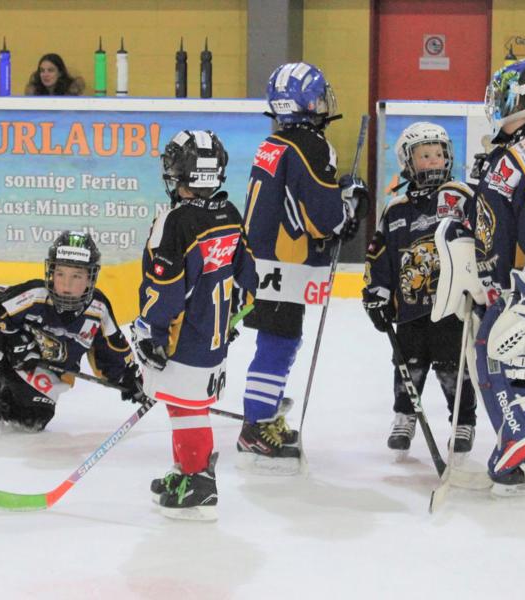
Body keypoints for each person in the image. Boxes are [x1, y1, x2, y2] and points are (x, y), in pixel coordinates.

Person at [434, 59, 525, 497]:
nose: (495, 104)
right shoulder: (512, 151)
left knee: (496, 361)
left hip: (524, 287)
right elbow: (494, 214)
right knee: (522, 365)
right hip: (502, 283)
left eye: (505, 96)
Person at [236, 62, 366, 474]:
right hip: (283, 263)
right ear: (309, 103)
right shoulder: (311, 145)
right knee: (279, 340)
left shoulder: (274, 142)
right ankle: (256, 425)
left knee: (278, 338)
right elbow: (324, 217)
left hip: (260, 257)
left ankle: (263, 409)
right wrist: (351, 204)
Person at [133, 129, 258, 520]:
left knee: (188, 410)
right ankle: (184, 471)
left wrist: (151, 333)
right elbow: (247, 278)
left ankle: (199, 483)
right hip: (214, 334)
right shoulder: (229, 214)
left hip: (182, 337)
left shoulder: (175, 222)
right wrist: (230, 319)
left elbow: (165, 289)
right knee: (184, 404)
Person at [362, 121, 477, 455]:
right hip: (410, 307)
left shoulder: (460, 196)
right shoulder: (395, 209)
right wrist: (376, 294)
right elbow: (379, 256)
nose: (434, 161)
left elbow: (481, 239)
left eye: (439, 154)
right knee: (407, 363)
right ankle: (404, 416)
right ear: (407, 162)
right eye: (425, 155)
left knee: (452, 364)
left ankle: (463, 422)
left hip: (452, 305)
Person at [0, 232, 142, 434]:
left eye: (77, 276)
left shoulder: (98, 309)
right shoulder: (34, 295)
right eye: (60, 274)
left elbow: (112, 350)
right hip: (8, 359)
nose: (66, 284)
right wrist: (16, 341)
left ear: (91, 279)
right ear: (51, 272)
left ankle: (12, 397)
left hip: (45, 369)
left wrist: (129, 378)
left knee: (32, 421)